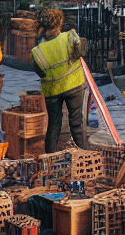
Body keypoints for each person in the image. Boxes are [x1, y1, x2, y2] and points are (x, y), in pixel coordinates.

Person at [31, 8, 90, 153]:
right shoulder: (70, 37)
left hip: (52, 92)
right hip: (74, 86)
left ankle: (49, 159)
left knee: (53, 125)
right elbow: (82, 51)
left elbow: (40, 72)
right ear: (60, 22)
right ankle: (81, 156)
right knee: (76, 123)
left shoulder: (37, 51)